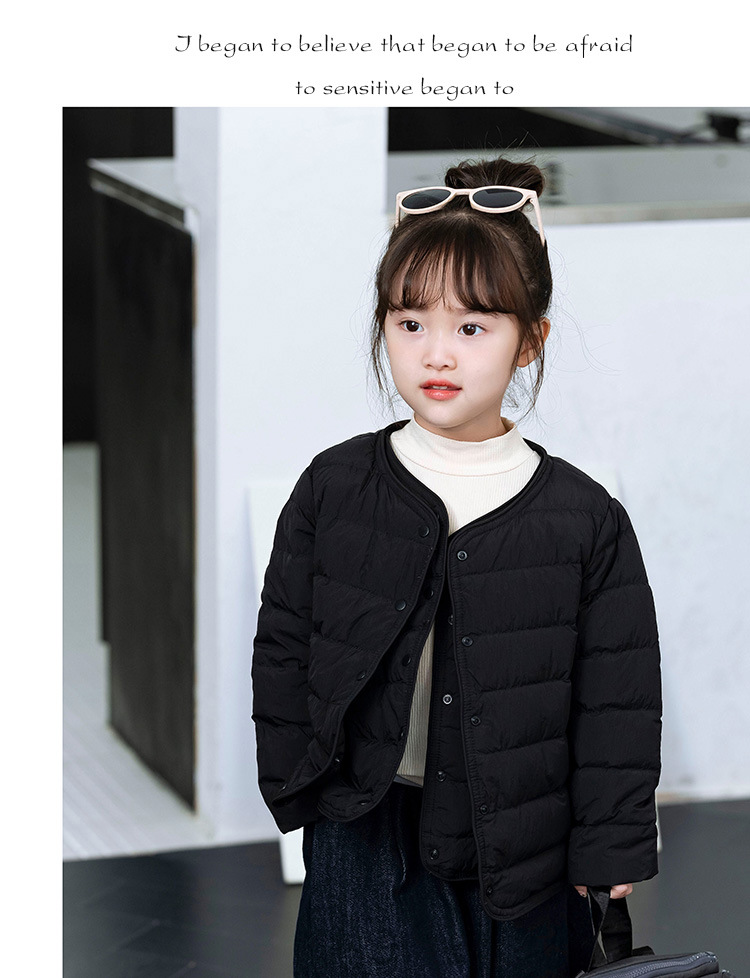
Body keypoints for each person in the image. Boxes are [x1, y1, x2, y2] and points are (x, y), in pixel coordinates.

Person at [251, 155, 663, 978]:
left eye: (472, 328)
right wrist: (298, 782)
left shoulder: (584, 518)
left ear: (530, 342)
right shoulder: (335, 486)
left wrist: (611, 843)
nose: (436, 354)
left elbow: (617, 697)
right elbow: (284, 640)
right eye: (411, 323)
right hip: (364, 832)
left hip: (522, 843)